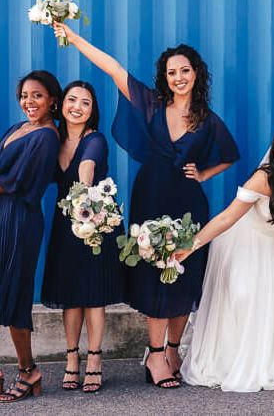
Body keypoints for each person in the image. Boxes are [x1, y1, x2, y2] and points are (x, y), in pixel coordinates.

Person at [52, 22, 239, 389]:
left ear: (196, 73)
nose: (179, 77)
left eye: (185, 70)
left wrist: (203, 174)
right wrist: (72, 37)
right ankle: (154, 354)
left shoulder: (207, 119)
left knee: (183, 274)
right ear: (164, 77)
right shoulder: (152, 103)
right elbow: (113, 68)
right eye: (172, 72)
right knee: (155, 271)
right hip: (150, 198)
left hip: (188, 204)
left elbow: (231, 156)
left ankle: (172, 350)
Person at [177, 124, 274, 392]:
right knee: (244, 293)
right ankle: (239, 357)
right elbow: (226, 218)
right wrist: (191, 246)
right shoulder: (263, 179)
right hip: (244, 240)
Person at [41, 81, 124, 393]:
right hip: (65, 224)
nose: (77, 106)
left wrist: (83, 196)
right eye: (71, 99)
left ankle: (94, 360)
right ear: (61, 104)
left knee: (92, 296)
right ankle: (71, 358)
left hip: (93, 222)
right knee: (69, 296)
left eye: (85, 102)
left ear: (92, 111)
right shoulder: (52, 139)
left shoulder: (96, 140)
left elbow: (86, 170)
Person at [0, 70, 61, 403]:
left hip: (19, 220)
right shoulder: (20, 128)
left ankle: (28, 370)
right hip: (2, 214)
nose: (29, 102)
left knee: (14, 293)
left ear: (52, 100)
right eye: (24, 95)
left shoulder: (47, 137)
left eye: (37, 95)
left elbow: (19, 184)